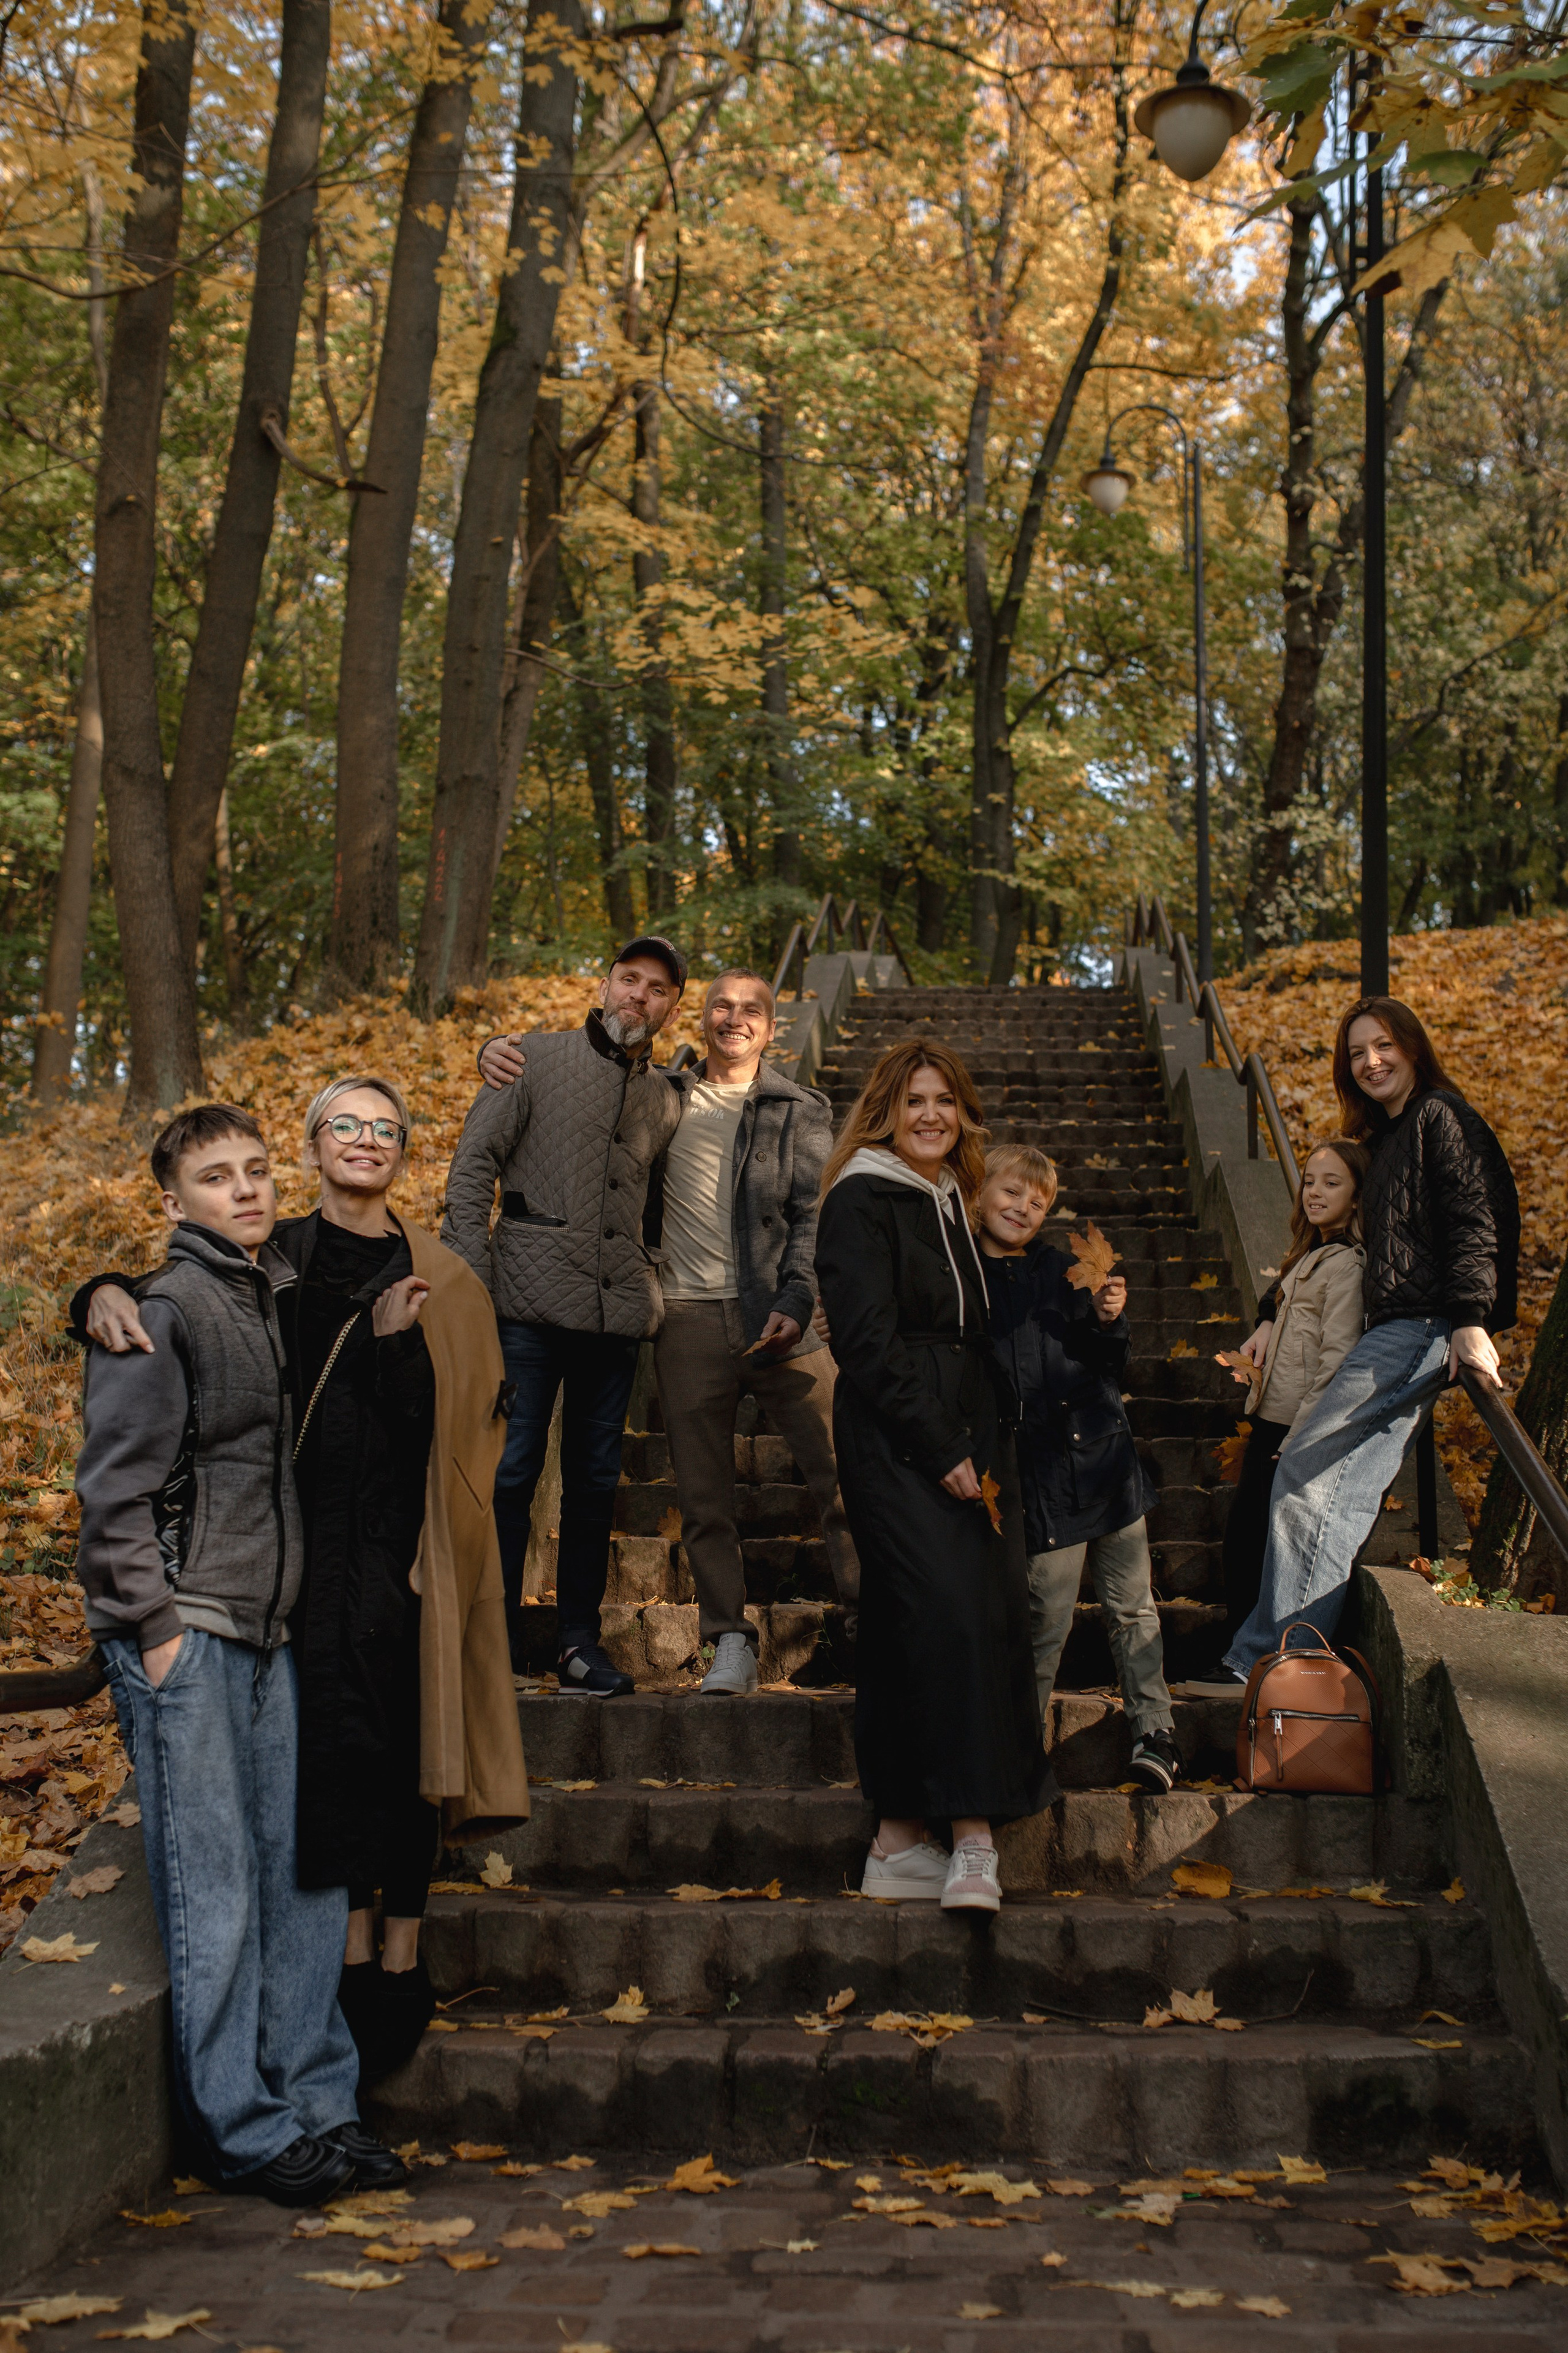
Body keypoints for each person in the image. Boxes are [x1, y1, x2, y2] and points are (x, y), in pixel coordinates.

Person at [76, 1080, 530, 2083]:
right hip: (293, 1552)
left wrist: (400, 1362)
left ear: (404, 1150)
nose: (367, 1140)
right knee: (324, 1757)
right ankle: (346, 1959)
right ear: (316, 1144)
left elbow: (468, 1431)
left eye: (387, 1128)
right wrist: (99, 1289)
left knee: (406, 1741)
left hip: (406, 1549)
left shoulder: (445, 1276)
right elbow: (175, 1303)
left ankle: (399, 1953)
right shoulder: (272, 1256)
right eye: (347, 1125)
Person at [75, 1106, 385, 2204]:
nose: (246, 1190)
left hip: (268, 1631)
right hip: (190, 1634)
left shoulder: (267, 1287)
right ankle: (241, 2129)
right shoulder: (164, 1310)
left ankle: (317, 2103)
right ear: (174, 1201)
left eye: (257, 1170)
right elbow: (112, 1493)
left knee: (301, 1879)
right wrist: (153, 1632)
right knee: (213, 1889)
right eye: (217, 1177)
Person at [1204, 997, 1520, 1689]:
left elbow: (1475, 1216)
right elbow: (1330, 1240)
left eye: (1383, 1046)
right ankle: (1292, 1667)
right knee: (1338, 1493)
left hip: (1421, 1323)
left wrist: (1469, 1317)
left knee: (1304, 1464)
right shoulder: (1383, 1139)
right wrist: (1270, 1311)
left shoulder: (1440, 1116)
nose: (1371, 1062)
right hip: (1397, 1323)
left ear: (1413, 1047)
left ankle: (1267, 1660)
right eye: (1356, 1053)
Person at [814, 1040, 1050, 1914]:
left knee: (924, 1623)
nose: (930, 1115)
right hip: (901, 1434)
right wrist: (940, 1442)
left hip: (970, 1423)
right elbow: (867, 1341)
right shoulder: (860, 1195)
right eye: (914, 1099)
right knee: (949, 1616)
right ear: (886, 1108)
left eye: (944, 1100)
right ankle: (973, 1836)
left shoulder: (952, 1194)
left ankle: (898, 1839)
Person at [446, 939, 686, 1695]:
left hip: (615, 1319)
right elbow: (471, 1169)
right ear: (606, 984)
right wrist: (472, 1286)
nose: (638, 996)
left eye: (656, 988)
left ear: (671, 1006)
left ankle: (578, 1644)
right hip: (522, 1307)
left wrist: (652, 1274)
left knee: (593, 1481)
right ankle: (491, 1643)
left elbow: (658, 1202)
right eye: (628, 979)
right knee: (511, 1472)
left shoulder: (667, 1097)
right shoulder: (531, 1059)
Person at [633, 969, 856, 1694]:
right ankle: (728, 1640)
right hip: (685, 1320)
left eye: (751, 1009)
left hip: (779, 1315)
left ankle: (874, 1623)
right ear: (700, 1017)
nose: (735, 1018)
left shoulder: (800, 1107)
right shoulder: (659, 1096)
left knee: (846, 1472)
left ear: (770, 1026)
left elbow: (813, 1214)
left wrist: (797, 1296)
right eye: (722, 1006)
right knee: (703, 1499)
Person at [977, 1144, 1180, 1796]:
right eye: (1011, 1193)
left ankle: (1155, 1731)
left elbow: (1108, 1362)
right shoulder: (964, 1274)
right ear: (980, 1192)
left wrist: (1108, 1320)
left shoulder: (1063, 1270)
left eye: (1037, 1203)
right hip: (1041, 1478)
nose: (1023, 1208)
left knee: (1133, 1607)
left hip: (1106, 1463)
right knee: (1045, 1619)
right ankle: (1018, 1748)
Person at [1190, 1138, 1370, 1682]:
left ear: (1358, 1197)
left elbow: (1337, 1359)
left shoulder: (1348, 1265)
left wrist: (1302, 1437)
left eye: (1332, 1183)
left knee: (1266, 1546)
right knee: (1244, 1540)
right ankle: (1236, 1649)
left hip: (1296, 1427)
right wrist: (1268, 1321)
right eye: (1309, 1181)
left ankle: (1254, 1667)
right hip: (1272, 1418)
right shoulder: (1312, 1254)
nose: (1314, 1191)